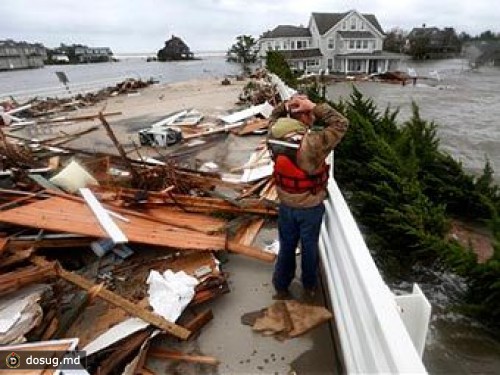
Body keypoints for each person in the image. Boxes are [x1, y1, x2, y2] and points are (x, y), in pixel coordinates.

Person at [267, 94, 348, 299]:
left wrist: (288, 105)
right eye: (310, 114)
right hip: (310, 206)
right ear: (304, 116)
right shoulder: (313, 142)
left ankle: (281, 284)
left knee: (287, 246)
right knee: (309, 247)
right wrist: (314, 105)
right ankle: (309, 286)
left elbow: (274, 116)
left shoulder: (273, 133)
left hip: (286, 204)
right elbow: (341, 123)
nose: (313, 117)